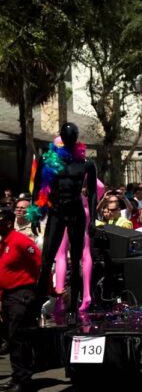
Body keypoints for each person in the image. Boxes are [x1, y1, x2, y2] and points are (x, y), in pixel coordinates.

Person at [29, 123, 97, 316]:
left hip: (76, 211)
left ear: (76, 138)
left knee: (76, 261)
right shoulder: (47, 159)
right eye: (66, 135)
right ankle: (36, 307)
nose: (69, 138)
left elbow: (93, 193)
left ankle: (73, 308)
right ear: (61, 137)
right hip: (56, 211)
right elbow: (37, 188)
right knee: (46, 259)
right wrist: (35, 215)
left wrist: (93, 219)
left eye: (72, 135)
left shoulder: (86, 163)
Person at [0, 207, 42, 392]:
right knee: (12, 337)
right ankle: (18, 375)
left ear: (8, 223)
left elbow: (39, 262)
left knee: (18, 337)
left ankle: (22, 379)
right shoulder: (4, 243)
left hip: (22, 294)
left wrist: (44, 289)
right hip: (8, 296)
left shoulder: (20, 240)